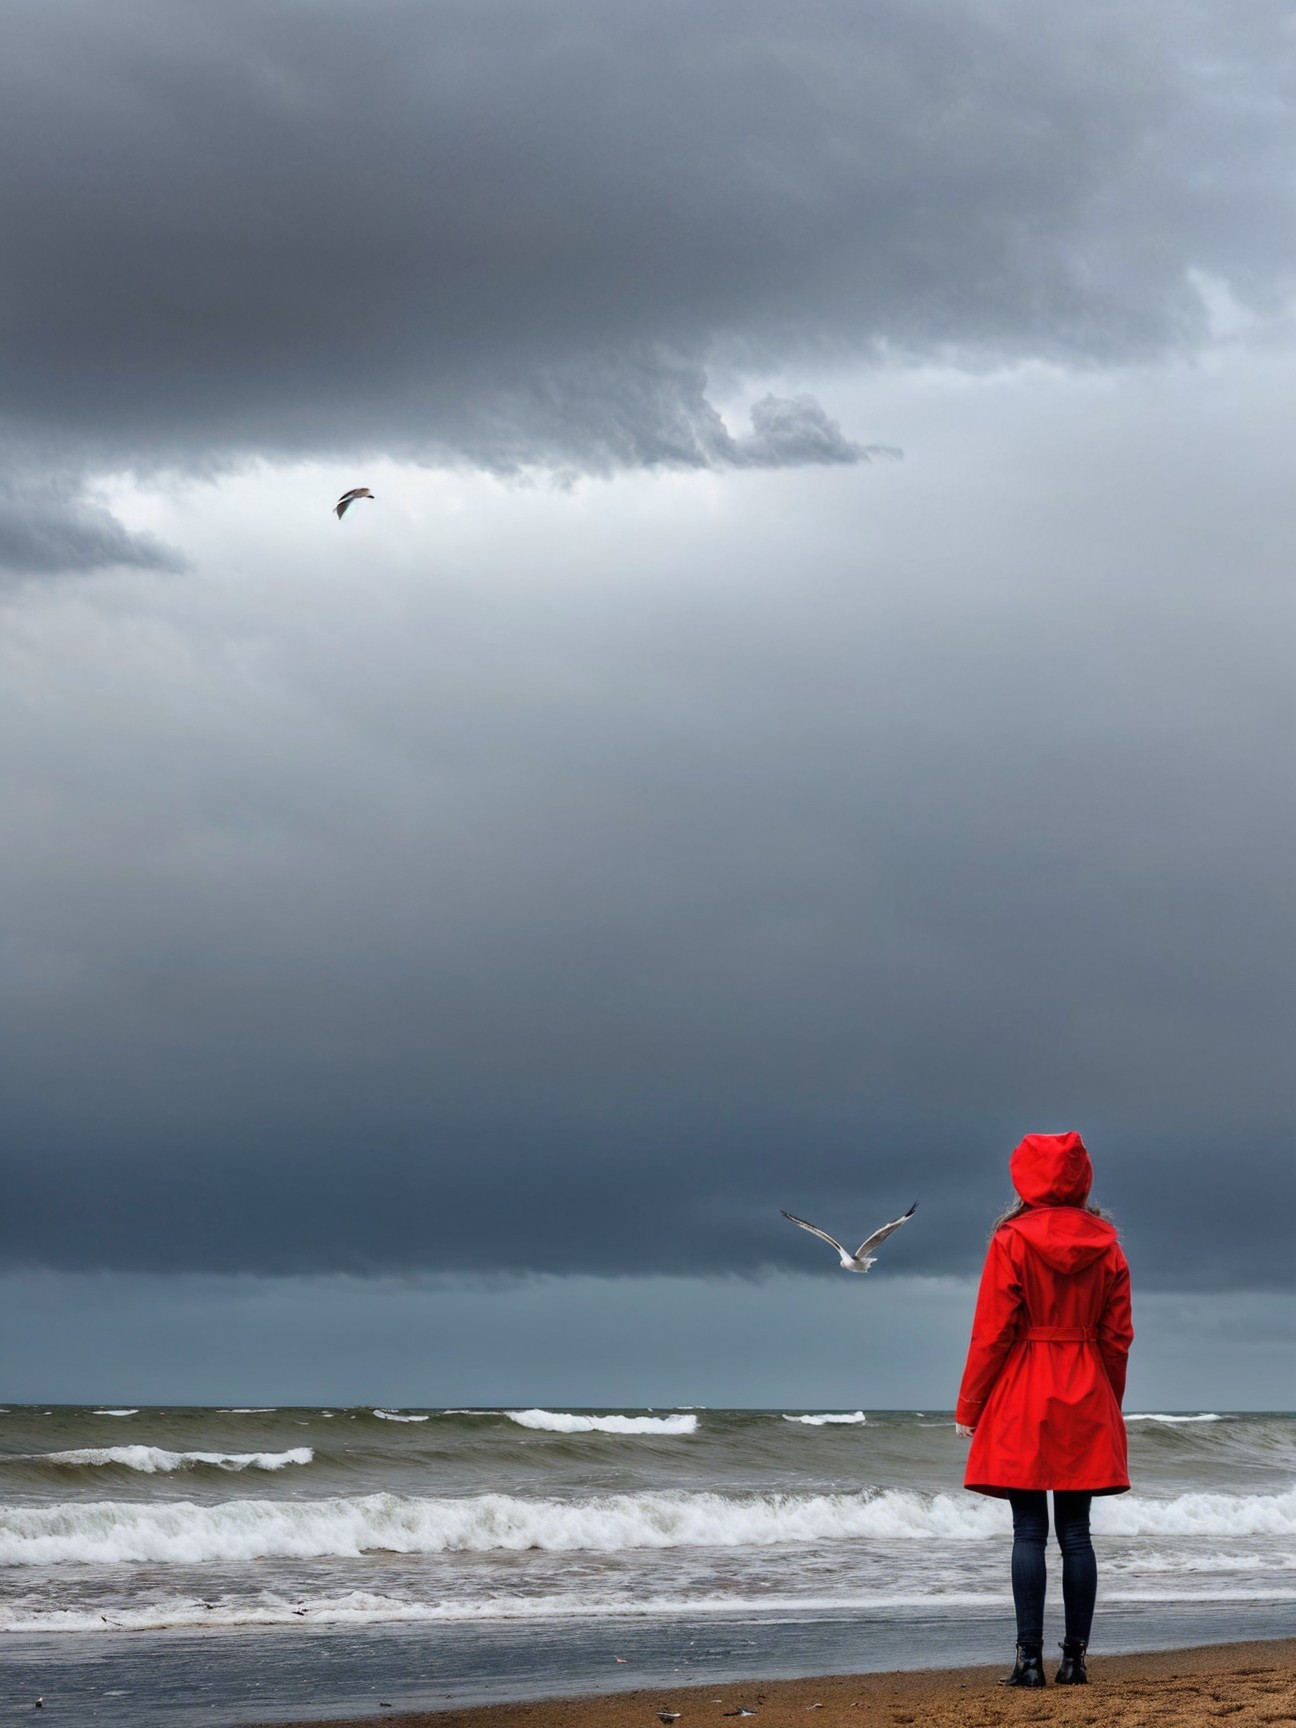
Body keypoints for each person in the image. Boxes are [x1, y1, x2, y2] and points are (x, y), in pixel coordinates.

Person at [955, 1131, 1133, 1688]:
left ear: (1022, 1179)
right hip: (1086, 1386)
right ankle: (1075, 1661)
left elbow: (992, 1331)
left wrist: (970, 1404)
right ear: (1083, 1179)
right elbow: (1118, 1337)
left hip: (1022, 1390)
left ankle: (1028, 1662)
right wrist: (1109, 1400)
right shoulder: (1108, 1243)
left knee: (1028, 1531)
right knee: (1076, 1533)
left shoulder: (1009, 1240)